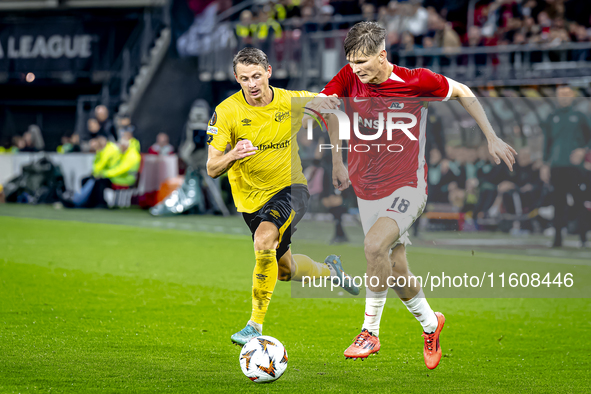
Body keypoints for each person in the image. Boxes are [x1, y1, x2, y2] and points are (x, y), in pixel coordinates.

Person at [308, 21, 516, 369]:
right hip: (367, 187)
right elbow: (329, 107)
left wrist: (491, 136)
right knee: (396, 268)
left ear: (382, 55)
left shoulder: (416, 81)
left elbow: (463, 91)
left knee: (374, 247)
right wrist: (335, 157)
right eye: (352, 62)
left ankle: (369, 332)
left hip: (408, 186)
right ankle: (432, 324)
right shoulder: (349, 77)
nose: (356, 69)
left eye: (363, 62)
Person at [206, 47, 359, 346]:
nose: (252, 84)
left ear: (269, 73)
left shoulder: (292, 101)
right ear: (236, 78)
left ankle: (254, 325)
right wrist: (233, 154)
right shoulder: (226, 112)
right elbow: (212, 167)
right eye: (244, 78)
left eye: (257, 76)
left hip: (291, 189)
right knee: (285, 270)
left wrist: (338, 163)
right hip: (251, 201)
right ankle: (331, 271)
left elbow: (334, 116)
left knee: (264, 240)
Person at [540, 85, 591, 247]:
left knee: (579, 201)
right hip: (556, 167)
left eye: (567, 94)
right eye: (560, 94)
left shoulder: (580, 116)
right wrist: (545, 164)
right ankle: (557, 239)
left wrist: (583, 150)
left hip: (575, 168)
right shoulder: (551, 117)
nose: (563, 97)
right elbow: (547, 143)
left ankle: (583, 237)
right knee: (558, 203)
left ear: (572, 96)